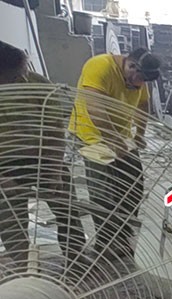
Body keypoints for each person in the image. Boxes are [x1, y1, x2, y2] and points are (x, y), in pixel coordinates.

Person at [0, 41, 87, 270]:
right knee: (10, 221)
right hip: (4, 165)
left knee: (67, 207)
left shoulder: (38, 85)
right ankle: (26, 269)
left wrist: (55, 171)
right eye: (15, 76)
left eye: (24, 71)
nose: (23, 77)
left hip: (45, 157)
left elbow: (55, 130)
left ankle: (76, 258)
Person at [68, 48, 160, 260]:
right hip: (92, 135)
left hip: (121, 135)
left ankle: (123, 236)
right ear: (131, 65)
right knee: (102, 192)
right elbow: (95, 109)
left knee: (133, 186)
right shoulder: (100, 66)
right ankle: (106, 243)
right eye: (138, 80)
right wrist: (113, 140)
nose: (138, 86)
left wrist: (139, 134)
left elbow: (143, 105)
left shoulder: (139, 76)